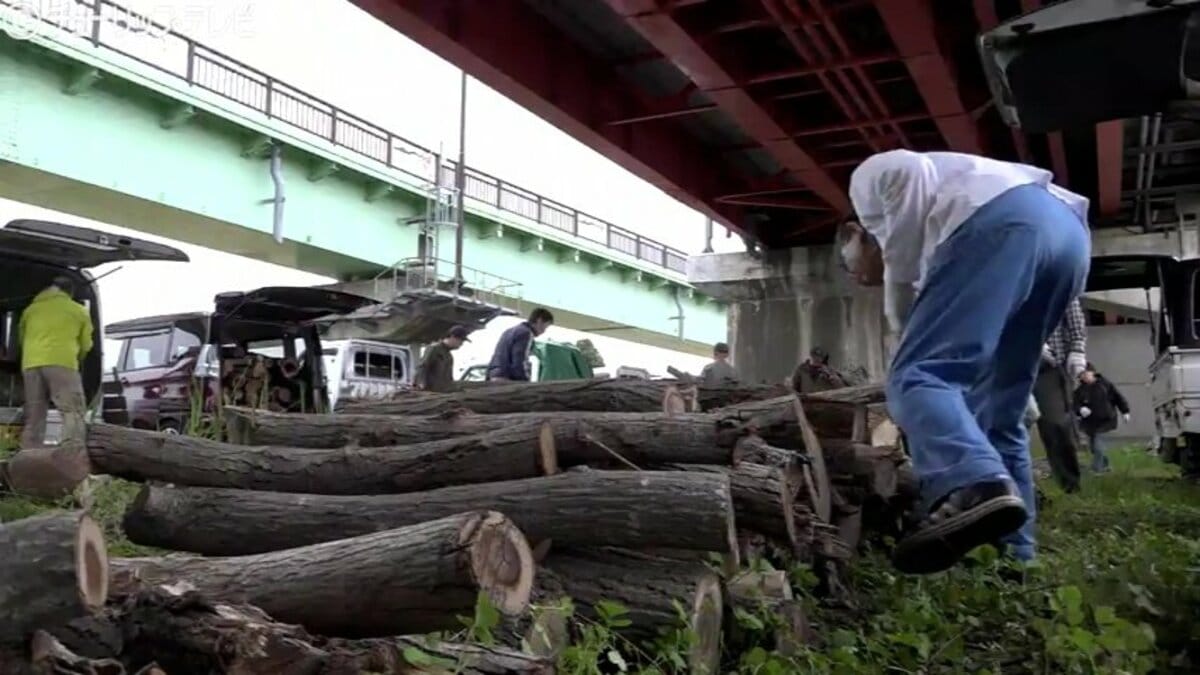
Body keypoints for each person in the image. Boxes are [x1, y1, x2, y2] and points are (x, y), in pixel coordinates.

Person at [838, 149, 1090, 574]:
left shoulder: (867, 179)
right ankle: (1016, 558)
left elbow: (906, 169)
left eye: (850, 265)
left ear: (854, 232)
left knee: (916, 377)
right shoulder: (938, 241)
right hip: (1067, 239)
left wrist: (899, 312)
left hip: (1002, 221)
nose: (859, 277)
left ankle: (971, 481)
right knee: (1000, 411)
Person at [18, 276, 93, 451]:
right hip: (62, 362)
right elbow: (86, 344)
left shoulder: (31, 310)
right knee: (72, 411)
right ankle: (71, 452)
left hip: (31, 364)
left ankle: (29, 454)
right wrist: (78, 358)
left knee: (34, 414)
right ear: (70, 293)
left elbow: (21, 338)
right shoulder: (78, 310)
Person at [1034, 299, 1087, 492]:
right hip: (1011, 361)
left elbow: (1074, 318)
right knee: (1006, 426)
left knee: (1056, 424)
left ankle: (1070, 484)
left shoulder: (1058, 276)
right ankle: (1019, 490)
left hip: (1050, 367)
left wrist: (1077, 350)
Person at [1073, 363, 1131, 473]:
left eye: (1085, 374)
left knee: (1098, 445)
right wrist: (1080, 410)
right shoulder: (1080, 391)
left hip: (1106, 420)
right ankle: (1106, 466)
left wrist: (1125, 411)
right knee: (1094, 448)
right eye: (1080, 376)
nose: (1083, 377)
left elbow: (1118, 397)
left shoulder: (1105, 384)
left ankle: (1096, 470)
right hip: (1090, 423)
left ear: (1092, 372)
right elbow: (1074, 405)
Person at [487, 308, 554, 381]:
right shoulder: (526, 333)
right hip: (507, 379)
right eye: (545, 327)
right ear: (539, 321)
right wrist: (525, 382)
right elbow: (519, 362)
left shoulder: (509, 331)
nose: (544, 331)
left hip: (494, 376)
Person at [415, 326, 470, 393]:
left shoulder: (449, 356)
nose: (461, 344)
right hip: (430, 394)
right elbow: (422, 367)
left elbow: (449, 379)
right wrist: (421, 385)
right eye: (461, 340)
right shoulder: (434, 349)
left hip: (442, 395)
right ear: (452, 337)